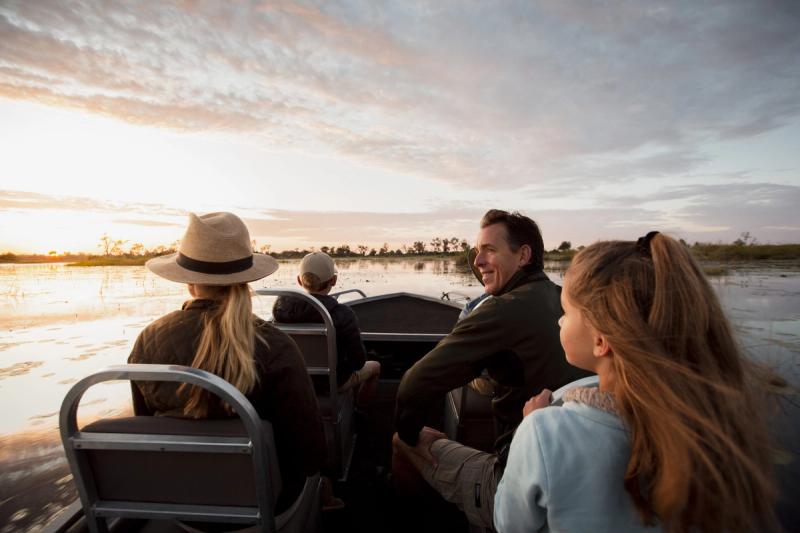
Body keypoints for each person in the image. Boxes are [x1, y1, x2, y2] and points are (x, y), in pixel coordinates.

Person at [494, 232, 781, 532]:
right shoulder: (713, 428)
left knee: (442, 452)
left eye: (566, 312)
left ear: (601, 340)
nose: (559, 321)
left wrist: (527, 426)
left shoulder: (544, 432)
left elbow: (507, 523)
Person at [393, 209, 591, 529]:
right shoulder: (563, 298)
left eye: (489, 250)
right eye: (476, 251)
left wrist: (412, 431)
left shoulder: (502, 310)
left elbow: (415, 384)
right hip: (576, 472)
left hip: (517, 482)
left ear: (524, 254)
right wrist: (489, 273)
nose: (478, 260)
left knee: (401, 443)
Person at [128, 212, 326, 514]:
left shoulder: (148, 340)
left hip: (177, 503)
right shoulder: (277, 347)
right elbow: (310, 455)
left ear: (190, 282)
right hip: (265, 507)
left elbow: (146, 428)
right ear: (246, 279)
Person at [272, 251, 380, 412]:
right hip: (332, 383)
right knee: (375, 366)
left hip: (295, 380)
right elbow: (358, 362)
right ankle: (361, 411)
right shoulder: (343, 314)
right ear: (334, 280)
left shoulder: (280, 310)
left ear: (299, 281)